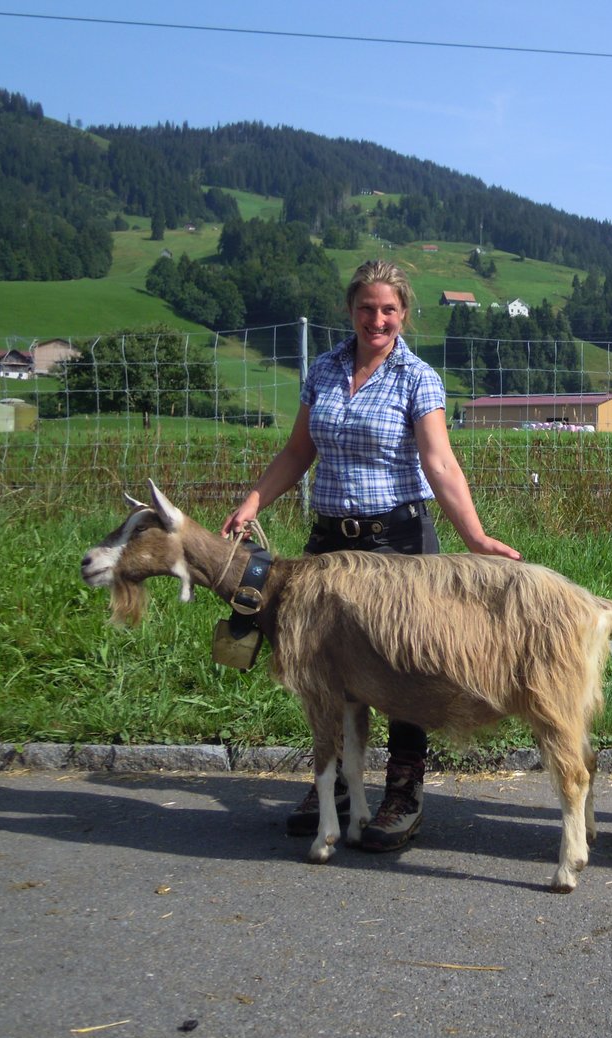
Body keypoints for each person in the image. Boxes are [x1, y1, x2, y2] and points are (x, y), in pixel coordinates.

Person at [222, 259, 520, 852]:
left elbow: (439, 464)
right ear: (351, 310)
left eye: (388, 309)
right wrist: (253, 500)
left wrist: (476, 538)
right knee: (322, 669)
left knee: (405, 664)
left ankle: (403, 792)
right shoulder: (326, 369)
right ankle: (332, 784)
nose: (376, 319)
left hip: (397, 547)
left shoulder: (419, 377)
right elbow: (298, 450)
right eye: (366, 307)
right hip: (329, 547)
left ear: (404, 314)